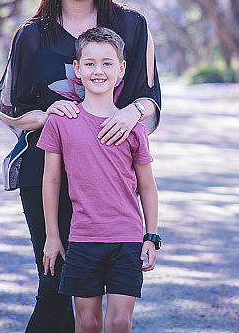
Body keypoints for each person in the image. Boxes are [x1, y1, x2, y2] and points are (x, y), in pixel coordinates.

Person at [0, 0, 161, 332]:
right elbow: (9, 112)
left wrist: (131, 112)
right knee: (53, 286)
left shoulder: (132, 26)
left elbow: (152, 99)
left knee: (108, 302)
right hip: (46, 173)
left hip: (109, 178)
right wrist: (49, 115)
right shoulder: (31, 35)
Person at [38, 27, 159, 333]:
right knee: (87, 323)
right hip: (83, 239)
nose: (98, 71)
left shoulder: (133, 128)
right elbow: (51, 181)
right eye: (90, 63)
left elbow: (147, 186)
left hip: (127, 239)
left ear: (121, 69)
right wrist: (52, 235)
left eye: (107, 63)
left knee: (119, 323)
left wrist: (151, 236)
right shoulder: (61, 121)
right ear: (77, 69)